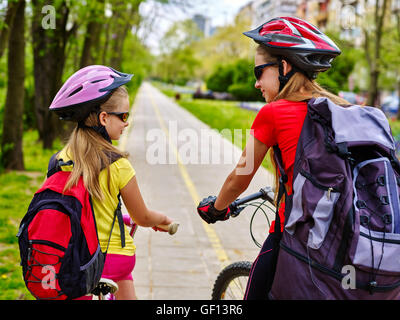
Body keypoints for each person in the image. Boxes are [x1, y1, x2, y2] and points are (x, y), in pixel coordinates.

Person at [197, 17, 350, 299]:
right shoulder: (342, 108)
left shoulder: (274, 112)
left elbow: (239, 176)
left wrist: (216, 209)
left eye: (259, 72)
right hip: (348, 240)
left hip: (295, 236)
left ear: (285, 66)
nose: (256, 84)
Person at [48, 65, 173, 300]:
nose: (127, 123)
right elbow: (142, 217)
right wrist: (162, 220)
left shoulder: (58, 161)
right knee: (123, 271)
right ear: (104, 118)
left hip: (69, 261)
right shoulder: (118, 164)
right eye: (124, 116)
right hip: (112, 262)